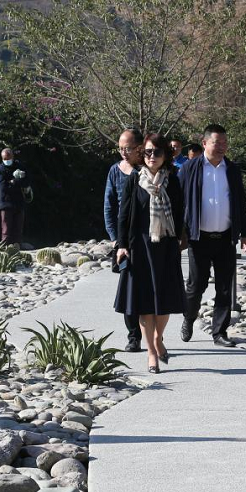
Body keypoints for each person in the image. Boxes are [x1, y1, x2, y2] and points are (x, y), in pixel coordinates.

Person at [114, 133, 186, 374]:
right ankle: (152, 353)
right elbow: (124, 215)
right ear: (141, 154)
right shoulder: (134, 181)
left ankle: (157, 338)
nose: (152, 156)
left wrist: (179, 240)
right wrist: (122, 244)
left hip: (166, 246)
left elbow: (180, 212)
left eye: (157, 152)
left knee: (164, 301)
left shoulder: (172, 181)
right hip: (140, 247)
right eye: (147, 152)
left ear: (165, 155)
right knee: (144, 302)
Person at [179, 123, 246, 347]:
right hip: (199, 238)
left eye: (224, 143)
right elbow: (178, 200)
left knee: (225, 287)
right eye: (216, 143)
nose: (221, 147)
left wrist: (245, 231)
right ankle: (189, 317)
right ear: (204, 143)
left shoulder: (232, 169)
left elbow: (240, 201)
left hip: (226, 238)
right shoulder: (190, 168)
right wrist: (178, 232)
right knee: (196, 285)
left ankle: (220, 332)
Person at [104, 129, 145, 352]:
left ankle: (153, 336)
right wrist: (116, 239)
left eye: (127, 148)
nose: (123, 152)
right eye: (120, 148)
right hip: (125, 239)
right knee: (128, 288)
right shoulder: (115, 171)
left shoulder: (148, 170)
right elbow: (109, 206)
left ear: (139, 147)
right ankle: (133, 336)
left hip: (148, 237)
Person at [0, 147, 27, 245]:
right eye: (5, 159)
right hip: (6, 203)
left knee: (18, 229)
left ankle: (18, 247)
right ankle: (4, 248)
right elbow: (3, 187)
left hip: (19, 202)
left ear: (13, 157)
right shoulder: (0, 170)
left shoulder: (19, 166)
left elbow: (26, 181)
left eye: (8, 158)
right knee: (6, 230)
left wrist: (13, 182)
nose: (7, 160)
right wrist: (16, 182)